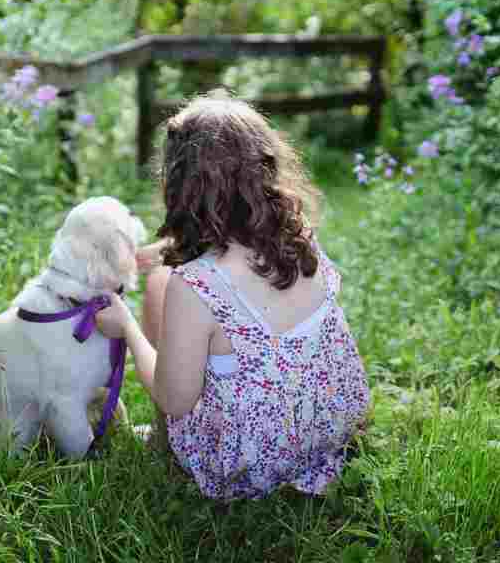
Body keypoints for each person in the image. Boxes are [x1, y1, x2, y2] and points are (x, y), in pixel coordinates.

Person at [94, 93, 371, 500]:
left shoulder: (194, 286)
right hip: (328, 430)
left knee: (159, 284)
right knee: (170, 281)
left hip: (248, 462)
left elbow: (176, 400)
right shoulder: (302, 242)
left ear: (181, 184)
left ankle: (163, 441)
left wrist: (129, 329)